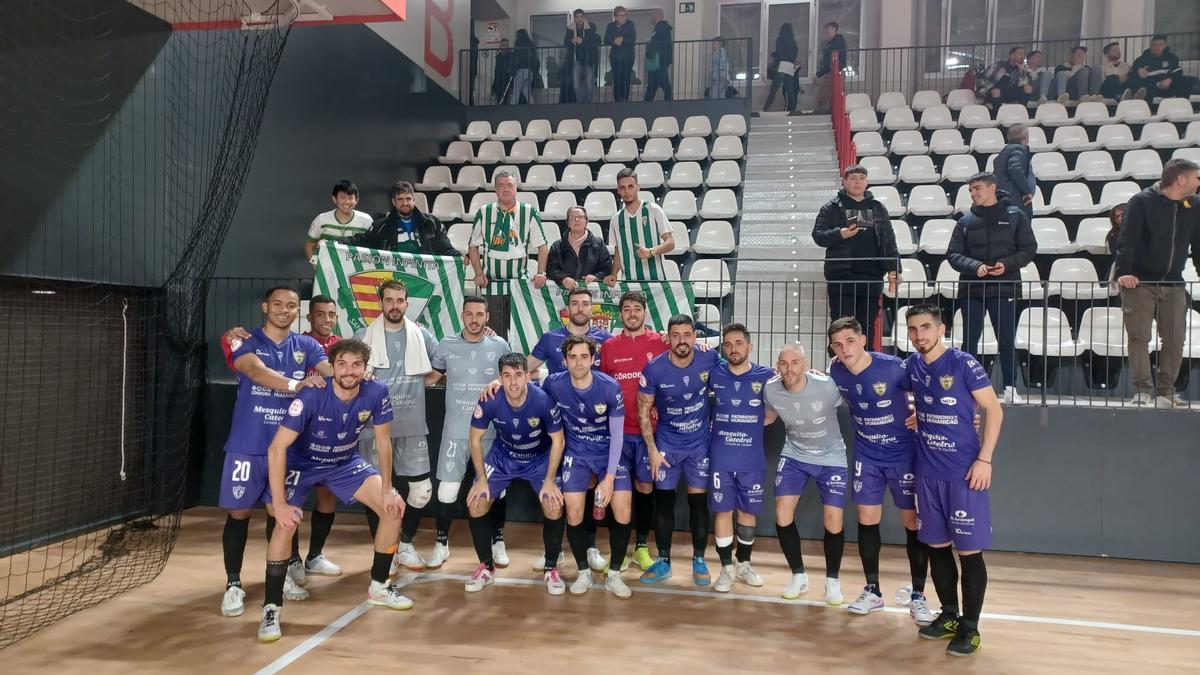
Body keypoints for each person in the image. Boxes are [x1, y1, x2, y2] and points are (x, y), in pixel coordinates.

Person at [257, 339, 412, 642]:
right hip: (301, 463)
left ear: (366, 368)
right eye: (342, 364)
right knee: (284, 524)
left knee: (394, 508)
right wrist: (280, 504)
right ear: (331, 366)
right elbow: (277, 448)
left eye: (357, 365)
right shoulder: (313, 394)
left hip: (343, 461)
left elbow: (383, 441)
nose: (349, 371)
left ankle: (379, 586)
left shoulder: (376, 391)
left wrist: (388, 488)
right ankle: (271, 607)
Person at [217, 286, 334, 619]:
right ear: (265, 306)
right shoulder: (244, 340)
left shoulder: (308, 345)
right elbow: (254, 371)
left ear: (299, 311)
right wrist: (296, 384)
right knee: (238, 514)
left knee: (281, 516)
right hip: (248, 444)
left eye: (292, 306)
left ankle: (279, 580)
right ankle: (233, 584)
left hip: (288, 449)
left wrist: (357, 376)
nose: (285, 310)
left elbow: (329, 372)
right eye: (279, 304)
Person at [904, 304, 1004, 658]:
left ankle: (971, 628)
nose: (919, 336)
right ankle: (948, 615)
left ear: (941, 328)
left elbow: (994, 409)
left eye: (926, 328)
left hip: (963, 473)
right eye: (913, 329)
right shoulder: (913, 365)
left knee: (968, 551)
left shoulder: (964, 363)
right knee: (935, 546)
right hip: (927, 475)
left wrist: (984, 459)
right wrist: (920, 415)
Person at [827, 317, 934, 625]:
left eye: (849, 341)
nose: (844, 349)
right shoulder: (836, 370)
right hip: (868, 454)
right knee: (866, 518)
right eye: (837, 344)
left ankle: (918, 596)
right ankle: (872, 590)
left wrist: (923, 413)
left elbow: (931, 390)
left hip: (903, 454)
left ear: (863, 340)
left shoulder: (893, 367)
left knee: (912, 520)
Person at [464, 353, 567, 594]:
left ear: (528, 376)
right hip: (503, 458)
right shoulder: (490, 398)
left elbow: (558, 441)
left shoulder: (542, 400)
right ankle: (486, 567)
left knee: (554, 505)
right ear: (499, 378)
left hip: (538, 459)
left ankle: (551, 568)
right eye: (507, 376)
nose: (512, 382)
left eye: (518, 375)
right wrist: (481, 480)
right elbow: (475, 440)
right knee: (476, 502)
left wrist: (550, 481)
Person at [353, 280, 438, 572]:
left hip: (412, 423)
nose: (394, 305)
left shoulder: (422, 335)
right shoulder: (363, 336)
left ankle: (403, 544)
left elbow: (438, 367)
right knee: (377, 493)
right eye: (389, 300)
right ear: (381, 303)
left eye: (400, 300)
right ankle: (384, 549)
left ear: (406, 303)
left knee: (421, 492)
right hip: (373, 430)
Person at [542, 335, 633, 597]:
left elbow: (617, 435)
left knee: (623, 511)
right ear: (565, 360)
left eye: (584, 357)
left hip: (608, 452)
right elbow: (526, 389)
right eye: (573, 357)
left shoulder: (609, 386)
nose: (579, 362)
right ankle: (583, 573)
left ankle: (614, 575)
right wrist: (494, 382)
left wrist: (609, 478)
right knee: (573, 513)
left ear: (593, 360)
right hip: (577, 452)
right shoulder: (554, 384)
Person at [426, 296, 512, 569]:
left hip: (490, 434)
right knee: (447, 492)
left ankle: (498, 541)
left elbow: (513, 379)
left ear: (488, 317)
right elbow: (430, 378)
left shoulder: (499, 345)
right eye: (469, 314)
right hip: (455, 433)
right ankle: (441, 544)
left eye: (480, 314)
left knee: (498, 492)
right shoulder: (446, 345)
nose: (474, 319)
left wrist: (500, 380)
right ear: (462, 316)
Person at [637, 314, 721, 586]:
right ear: (668, 338)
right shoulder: (655, 369)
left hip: (698, 446)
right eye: (676, 335)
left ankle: (699, 559)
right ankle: (664, 561)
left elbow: (735, 376)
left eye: (687, 334)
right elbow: (643, 411)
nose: (682, 340)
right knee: (664, 503)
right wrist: (651, 450)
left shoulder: (709, 359)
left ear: (696, 337)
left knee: (698, 502)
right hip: (667, 446)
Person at [763, 343, 848, 605]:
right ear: (778, 365)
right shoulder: (771, 388)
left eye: (795, 363)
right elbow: (768, 417)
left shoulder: (827, 386)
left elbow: (859, 398)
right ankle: (798, 575)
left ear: (806, 363)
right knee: (782, 513)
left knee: (833, 519)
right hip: (795, 454)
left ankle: (832, 580)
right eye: (784, 363)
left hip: (831, 457)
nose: (789, 369)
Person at [1113, 158, 1200, 408]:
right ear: (1180, 179)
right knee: (1139, 338)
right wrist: (1124, 272)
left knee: (1175, 339)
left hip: (1174, 284)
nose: (1199, 182)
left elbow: (1199, 243)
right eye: (1196, 177)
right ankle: (1142, 391)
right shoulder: (1142, 201)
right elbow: (1126, 239)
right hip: (1139, 282)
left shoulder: (1194, 205)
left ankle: (1166, 391)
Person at [946, 172, 1036, 405]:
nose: (974, 193)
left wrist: (1005, 265)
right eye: (971, 190)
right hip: (972, 288)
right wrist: (975, 267)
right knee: (969, 341)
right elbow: (953, 254)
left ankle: (1009, 387)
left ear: (992, 187)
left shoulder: (1016, 215)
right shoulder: (964, 221)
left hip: (1005, 287)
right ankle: (967, 387)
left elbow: (1028, 249)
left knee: (1006, 340)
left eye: (977, 188)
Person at [599, 291, 669, 572]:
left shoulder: (660, 343)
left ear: (644, 313)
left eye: (636, 308)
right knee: (618, 491)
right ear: (620, 314)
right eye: (626, 309)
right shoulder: (609, 346)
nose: (631, 313)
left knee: (645, 488)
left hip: (649, 433)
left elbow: (671, 377)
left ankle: (641, 547)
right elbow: (603, 385)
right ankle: (618, 553)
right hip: (618, 435)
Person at [707, 324, 775, 593]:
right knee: (723, 511)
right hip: (721, 457)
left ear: (749, 345)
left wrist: (755, 423)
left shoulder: (766, 376)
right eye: (727, 344)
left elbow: (778, 407)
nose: (733, 348)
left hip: (751, 458)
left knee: (747, 512)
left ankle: (744, 564)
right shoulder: (714, 374)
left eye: (738, 343)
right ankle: (726, 569)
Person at [812, 164, 900, 348]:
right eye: (852, 178)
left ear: (867, 182)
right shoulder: (831, 207)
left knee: (866, 326)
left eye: (861, 177)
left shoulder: (877, 207)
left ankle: (866, 365)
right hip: (842, 276)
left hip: (872, 276)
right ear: (844, 182)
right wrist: (841, 233)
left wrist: (894, 269)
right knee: (841, 325)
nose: (857, 181)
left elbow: (888, 240)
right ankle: (838, 365)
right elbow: (818, 235)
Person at [469, 169, 550, 337]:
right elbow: (473, 246)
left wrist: (541, 272)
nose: (505, 189)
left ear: (516, 188)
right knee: (493, 336)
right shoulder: (484, 212)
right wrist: (477, 273)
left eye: (509, 185)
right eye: (501, 186)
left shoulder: (529, 212)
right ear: (495, 190)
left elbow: (542, 245)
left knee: (520, 335)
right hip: (491, 285)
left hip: (519, 284)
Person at [345, 181, 460, 256]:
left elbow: (446, 248)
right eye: (400, 199)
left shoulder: (432, 223)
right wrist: (337, 243)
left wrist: (459, 257)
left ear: (413, 200)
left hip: (426, 277)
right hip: (394, 278)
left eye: (408, 199)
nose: (405, 203)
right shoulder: (381, 226)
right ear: (393, 202)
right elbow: (361, 240)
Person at [605, 168, 674, 283]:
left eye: (630, 186)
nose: (627, 192)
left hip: (656, 282)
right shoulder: (615, 219)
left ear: (638, 187)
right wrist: (613, 273)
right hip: (629, 283)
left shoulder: (653, 210)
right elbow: (618, 252)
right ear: (618, 190)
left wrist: (651, 251)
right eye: (622, 188)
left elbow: (670, 242)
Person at [529, 287, 613, 378]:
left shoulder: (606, 339)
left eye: (585, 304)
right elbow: (522, 369)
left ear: (591, 310)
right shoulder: (550, 339)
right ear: (568, 309)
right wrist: (546, 375)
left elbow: (618, 371)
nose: (580, 309)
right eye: (575, 304)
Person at [305, 180, 373, 266]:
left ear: (356, 200)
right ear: (334, 199)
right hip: (327, 272)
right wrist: (317, 268)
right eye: (342, 197)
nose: (347, 202)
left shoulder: (366, 220)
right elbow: (309, 245)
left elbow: (373, 247)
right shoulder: (321, 219)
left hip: (356, 273)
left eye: (350, 197)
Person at [547, 206, 612, 289]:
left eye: (580, 217)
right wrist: (563, 279)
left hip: (591, 292)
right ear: (568, 223)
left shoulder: (598, 244)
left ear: (586, 221)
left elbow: (607, 266)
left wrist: (596, 277)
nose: (576, 220)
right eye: (572, 217)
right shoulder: (557, 246)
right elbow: (551, 269)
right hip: (563, 293)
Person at [993, 124, 1036, 223]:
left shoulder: (1004, 152)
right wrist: (1026, 190)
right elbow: (1014, 168)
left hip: (1004, 200)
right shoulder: (1019, 149)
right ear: (1026, 138)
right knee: (1021, 232)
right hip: (1017, 199)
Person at [1130, 35, 1189, 99]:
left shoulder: (1171, 58)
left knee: (1184, 81)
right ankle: (1138, 99)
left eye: (1160, 45)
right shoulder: (1141, 60)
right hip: (1148, 85)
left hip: (1166, 84)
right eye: (1154, 45)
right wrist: (1138, 69)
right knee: (1145, 82)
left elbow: (1178, 72)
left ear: (1165, 46)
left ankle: (1182, 104)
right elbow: (1132, 74)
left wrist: (1170, 79)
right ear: (1150, 46)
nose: (1157, 47)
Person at [975, 46, 1032, 111]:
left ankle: (1021, 112)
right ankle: (997, 116)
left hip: (1010, 92)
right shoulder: (997, 66)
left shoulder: (1022, 69)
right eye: (1020, 54)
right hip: (993, 92)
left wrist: (1022, 71)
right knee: (996, 91)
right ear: (1012, 56)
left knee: (1028, 88)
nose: (1022, 56)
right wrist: (984, 90)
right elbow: (982, 78)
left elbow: (1024, 84)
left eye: (1024, 54)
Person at [564, 9, 600, 104]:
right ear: (574, 19)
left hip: (589, 60)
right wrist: (572, 41)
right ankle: (579, 104)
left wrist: (582, 41)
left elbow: (593, 43)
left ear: (584, 17)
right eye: (577, 17)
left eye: (581, 17)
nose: (579, 19)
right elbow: (566, 43)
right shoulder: (570, 29)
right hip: (576, 61)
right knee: (576, 85)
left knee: (589, 85)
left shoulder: (590, 28)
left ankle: (588, 104)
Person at [764, 22, 800, 113]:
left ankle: (765, 109)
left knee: (774, 89)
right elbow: (795, 53)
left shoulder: (780, 39)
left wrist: (774, 55)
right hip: (790, 66)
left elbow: (779, 53)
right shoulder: (793, 42)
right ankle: (792, 110)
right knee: (790, 91)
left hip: (782, 65)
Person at [604, 7, 636, 102]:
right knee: (617, 80)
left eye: (625, 15)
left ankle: (625, 100)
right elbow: (606, 40)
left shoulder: (630, 24)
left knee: (626, 79)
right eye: (621, 15)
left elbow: (632, 39)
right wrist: (614, 41)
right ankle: (617, 100)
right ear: (616, 17)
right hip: (615, 57)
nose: (623, 17)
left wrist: (622, 40)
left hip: (628, 57)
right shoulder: (610, 26)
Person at [815, 22, 848, 113]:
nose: (826, 32)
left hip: (835, 72)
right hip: (830, 72)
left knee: (826, 95)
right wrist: (819, 74)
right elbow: (826, 62)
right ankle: (826, 112)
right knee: (823, 95)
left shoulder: (838, 41)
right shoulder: (829, 44)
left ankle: (827, 113)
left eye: (828, 29)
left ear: (834, 29)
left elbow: (838, 58)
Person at [644, 20, 674, 101]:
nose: (651, 17)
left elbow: (657, 45)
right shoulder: (663, 30)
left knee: (657, 85)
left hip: (658, 62)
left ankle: (646, 107)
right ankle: (668, 104)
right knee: (654, 85)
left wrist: (649, 44)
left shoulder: (660, 28)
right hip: (661, 61)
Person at [510, 29, 538, 105]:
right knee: (527, 91)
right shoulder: (530, 44)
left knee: (516, 90)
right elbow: (535, 60)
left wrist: (513, 69)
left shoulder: (518, 43)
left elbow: (517, 58)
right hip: (530, 72)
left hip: (521, 70)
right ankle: (532, 106)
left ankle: (512, 108)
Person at [492, 39, 513, 103]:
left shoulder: (511, 55)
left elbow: (510, 67)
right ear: (500, 46)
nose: (505, 47)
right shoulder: (498, 56)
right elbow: (497, 70)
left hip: (507, 79)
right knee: (499, 97)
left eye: (506, 45)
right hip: (499, 80)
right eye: (503, 45)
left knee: (505, 98)